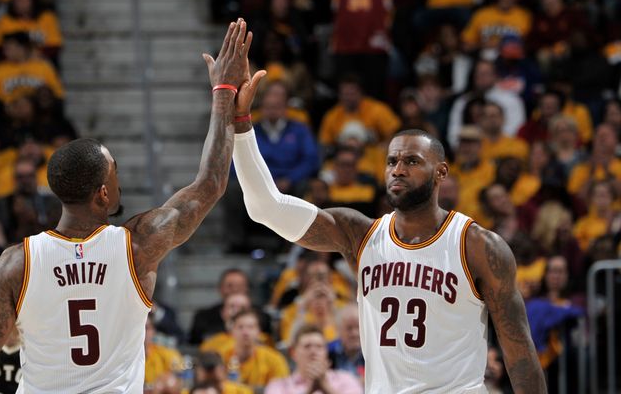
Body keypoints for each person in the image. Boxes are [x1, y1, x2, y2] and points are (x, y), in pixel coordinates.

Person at [0, 19, 266, 393]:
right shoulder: (138, 246)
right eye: (114, 171)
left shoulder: (18, 263)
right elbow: (211, 183)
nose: (119, 178)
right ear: (103, 194)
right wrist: (224, 92)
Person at [232, 111, 545, 391]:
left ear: (441, 172)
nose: (398, 169)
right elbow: (265, 208)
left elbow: (518, 350)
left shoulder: (477, 245)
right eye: (392, 161)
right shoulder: (359, 235)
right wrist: (241, 123)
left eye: (411, 161)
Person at [265, 325, 362, 394]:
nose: (313, 351)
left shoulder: (345, 379)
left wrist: (324, 386)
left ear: (326, 352)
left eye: (319, 347)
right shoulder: (279, 386)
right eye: (307, 346)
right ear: (293, 353)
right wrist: (310, 390)